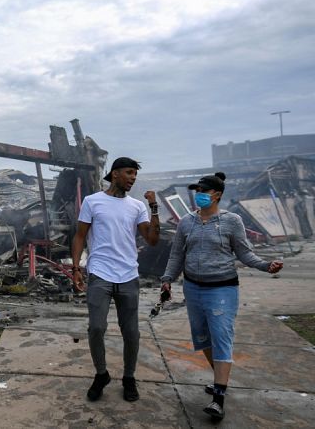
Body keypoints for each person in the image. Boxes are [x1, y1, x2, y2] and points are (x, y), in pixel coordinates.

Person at [160, 172, 283, 420]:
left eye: (203, 191)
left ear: (217, 194)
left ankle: (218, 398)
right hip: (193, 288)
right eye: (197, 191)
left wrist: (265, 266)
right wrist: (167, 280)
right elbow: (176, 256)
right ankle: (221, 379)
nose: (199, 195)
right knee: (203, 338)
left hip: (222, 289)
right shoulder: (186, 222)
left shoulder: (232, 221)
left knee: (221, 337)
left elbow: (245, 254)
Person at [71, 157, 160, 402]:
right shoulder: (92, 201)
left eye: (135, 174)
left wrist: (153, 207)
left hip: (129, 275)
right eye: (129, 173)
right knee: (96, 328)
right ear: (115, 174)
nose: (133, 178)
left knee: (131, 332)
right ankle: (101, 374)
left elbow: (152, 240)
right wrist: (77, 268)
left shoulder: (137, 206)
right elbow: (80, 236)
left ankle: (129, 377)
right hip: (99, 272)